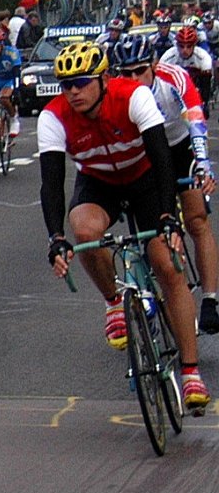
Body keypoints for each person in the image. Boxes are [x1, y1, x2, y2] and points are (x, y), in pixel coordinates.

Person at [41, 41, 206, 409]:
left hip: (145, 178)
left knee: (167, 267)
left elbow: (162, 158)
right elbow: (51, 183)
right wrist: (56, 238)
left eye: (81, 82)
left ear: (103, 79)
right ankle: (114, 302)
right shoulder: (53, 116)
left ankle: (191, 372)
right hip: (99, 182)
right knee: (84, 231)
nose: (73, 92)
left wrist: (168, 216)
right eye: (66, 84)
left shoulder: (133, 96)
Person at [107, 34, 219, 338]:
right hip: (145, 150)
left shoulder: (174, 77)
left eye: (140, 71)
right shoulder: (115, 91)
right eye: (126, 73)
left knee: (196, 219)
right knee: (152, 224)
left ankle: (210, 300)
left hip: (179, 145)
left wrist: (203, 164)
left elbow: (195, 120)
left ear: (154, 66)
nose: (133, 79)